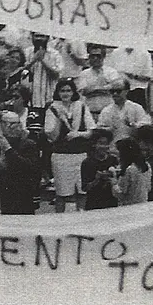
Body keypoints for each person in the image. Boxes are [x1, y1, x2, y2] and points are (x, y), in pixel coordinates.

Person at [44, 79, 95, 213]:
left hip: (81, 156)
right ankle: (60, 222)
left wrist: (77, 134)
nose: (65, 93)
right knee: (61, 194)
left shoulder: (82, 106)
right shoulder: (52, 109)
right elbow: (51, 136)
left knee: (82, 192)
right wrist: (60, 120)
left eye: (68, 90)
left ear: (73, 92)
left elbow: (91, 131)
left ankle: (81, 219)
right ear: (58, 92)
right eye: (62, 90)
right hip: (61, 157)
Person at [75, 45, 123, 120]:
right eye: (92, 56)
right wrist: (106, 87)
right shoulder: (84, 74)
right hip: (90, 113)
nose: (95, 58)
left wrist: (94, 89)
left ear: (103, 57)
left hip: (109, 113)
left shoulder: (111, 71)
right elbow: (84, 91)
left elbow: (117, 86)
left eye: (98, 56)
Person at [79, 128, 119, 211]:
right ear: (94, 144)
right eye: (101, 143)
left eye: (106, 144)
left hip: (111, 202)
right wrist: (96, 180)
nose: (104, 147)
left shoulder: (113, 160)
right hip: (94, 203)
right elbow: (85, 188)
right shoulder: (87, 163)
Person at [114, 137, 150, 206]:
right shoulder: (146, 166)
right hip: (143, 202)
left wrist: (114, 183)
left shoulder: (129, 170)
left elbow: (121, 192)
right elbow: (148, 187)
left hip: (129, 205)